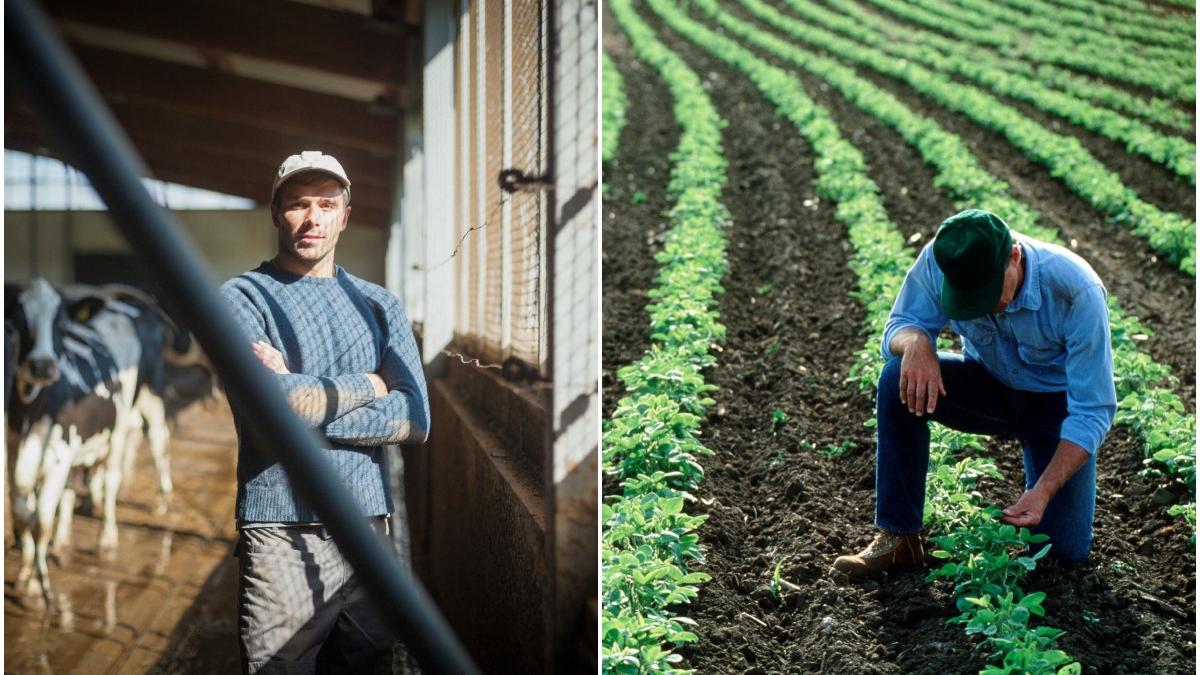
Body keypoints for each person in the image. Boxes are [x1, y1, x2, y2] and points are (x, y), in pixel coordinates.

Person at [221, 151, 430, 673]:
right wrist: (375, 384)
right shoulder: (243, 297)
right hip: (280, 529)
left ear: (346, 214)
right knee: (280, 667)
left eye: (326, 204)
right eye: (297, 205)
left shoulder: (380, 305)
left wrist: (303, 400)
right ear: (275, 212)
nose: (312, 218)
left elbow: (415, 418)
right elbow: (274, 409)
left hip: (368, 526)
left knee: (367, 663)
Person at [832, 209, 1115, 580]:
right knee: (894, 378)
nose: (981, 306)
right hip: (987, 387)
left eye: (988, 295)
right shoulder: (944, 258)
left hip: (1054, 408)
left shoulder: (1075, 290)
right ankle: (898, 537)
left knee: (1060, 556)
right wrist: (917, 342)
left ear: (1014, 256)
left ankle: (1052, 521)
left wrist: (1044, 490)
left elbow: (1093, 411)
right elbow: (899, 325)